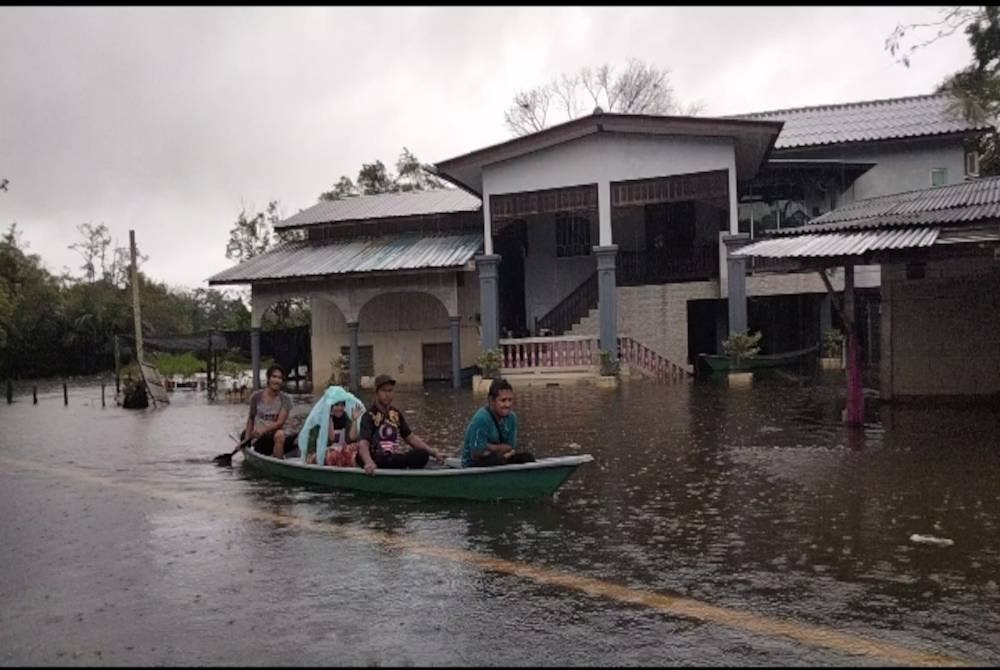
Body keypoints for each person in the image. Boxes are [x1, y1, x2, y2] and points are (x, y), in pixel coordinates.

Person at [356, 374, 444, 476]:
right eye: (384, 391)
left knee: (421, 454)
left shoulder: (395, 414)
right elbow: (363, 443)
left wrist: (434, 453)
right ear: (376, 393)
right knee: (360, 457)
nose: (387, 394)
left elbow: (411, 438)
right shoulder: (369, 416)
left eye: (390, 391)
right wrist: (368, 462)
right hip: (376, 458)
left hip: (392, 458)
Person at [461, 377, 535, 467]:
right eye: (503, 400)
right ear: (492, 400)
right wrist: (500, 449)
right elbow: (477, 452)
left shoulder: (512, 418)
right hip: (473, 463)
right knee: (497, 460)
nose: (507, 405)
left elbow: (510, 447)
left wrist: (489, 447)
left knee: (528, 458)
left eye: (510, 400)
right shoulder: (481, 419)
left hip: (501, 457)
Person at [299, 385, 365, 467]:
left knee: (359, 447)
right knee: (334, 454)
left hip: (339, 452)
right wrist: (329, 418)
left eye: (342, 405)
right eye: (336, 405)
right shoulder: (320, 420)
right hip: (317, 454)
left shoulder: (345, 418)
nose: (340, 408)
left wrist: (354, 420)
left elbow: (351, 438)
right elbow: (331, 439)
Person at [244, 364, 293, 458]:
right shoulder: (256, 397)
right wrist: (246, 440)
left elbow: (280, 422)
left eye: (280, 378)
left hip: (275, 437)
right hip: (259, 439)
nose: (276, 380)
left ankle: (278, 463)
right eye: (274, 377)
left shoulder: (286, 399)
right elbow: (251, 418)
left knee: (280, 434)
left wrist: (264, 430)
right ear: (268, 378)